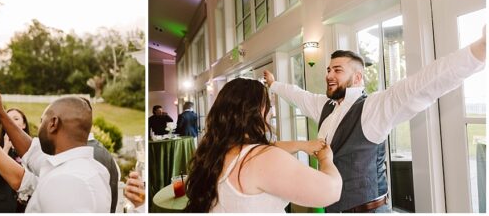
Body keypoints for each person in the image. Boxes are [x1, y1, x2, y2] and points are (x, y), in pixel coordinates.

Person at [262, 30, 486, 213]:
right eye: (328, 70)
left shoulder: (373, 107)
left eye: (337, 70)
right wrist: (273, 85)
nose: (329, 75)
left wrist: (479, 50)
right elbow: (298, 95)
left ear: (358, 78)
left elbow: (422, 85)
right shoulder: (325, 106)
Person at [182, 78, 341, 212]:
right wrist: (326, 159)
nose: (271, 113)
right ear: (257, 110)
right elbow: (332, 191)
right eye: (269, 107)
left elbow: (270, 146)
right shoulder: (262, 158)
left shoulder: (215, 150)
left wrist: (302, 145)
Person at [0, 93, 111, 212]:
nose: (39, 127)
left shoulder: (66, 181)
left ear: (53, 124)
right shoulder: (91, 168)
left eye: (42, 121)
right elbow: (32, 152)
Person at [0, 108, 28, 213]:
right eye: (8, 119)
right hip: (2, 208)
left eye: (16, 118)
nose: (11, 121)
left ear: (24, 124)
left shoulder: (32, 149)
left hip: (29, 207)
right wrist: (5, 149)